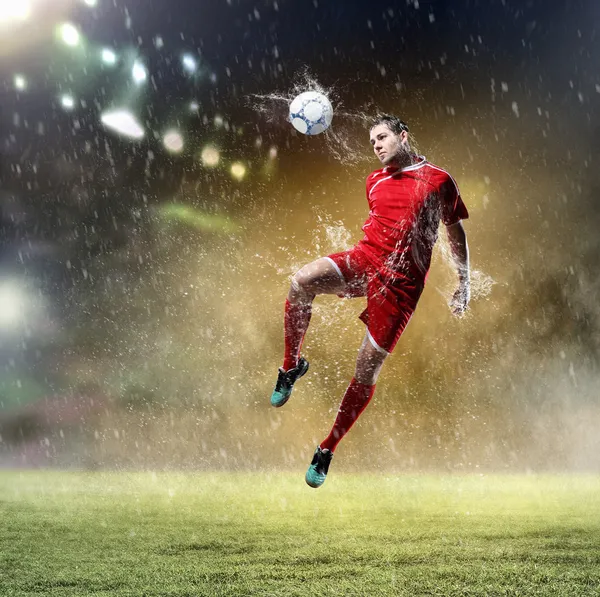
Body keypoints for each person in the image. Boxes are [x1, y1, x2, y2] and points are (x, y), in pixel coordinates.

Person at [270, 114, 470, 488]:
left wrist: (464, 279)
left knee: (366, 369)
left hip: (401, 288)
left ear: (403, 136)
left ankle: (327, 448)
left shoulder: (439, 180)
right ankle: (290, 366)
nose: (376, 145)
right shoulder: (374, 180)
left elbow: (454, 229)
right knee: (301, 281)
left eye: (382, 137)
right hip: (366, 260)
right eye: (372, 141)